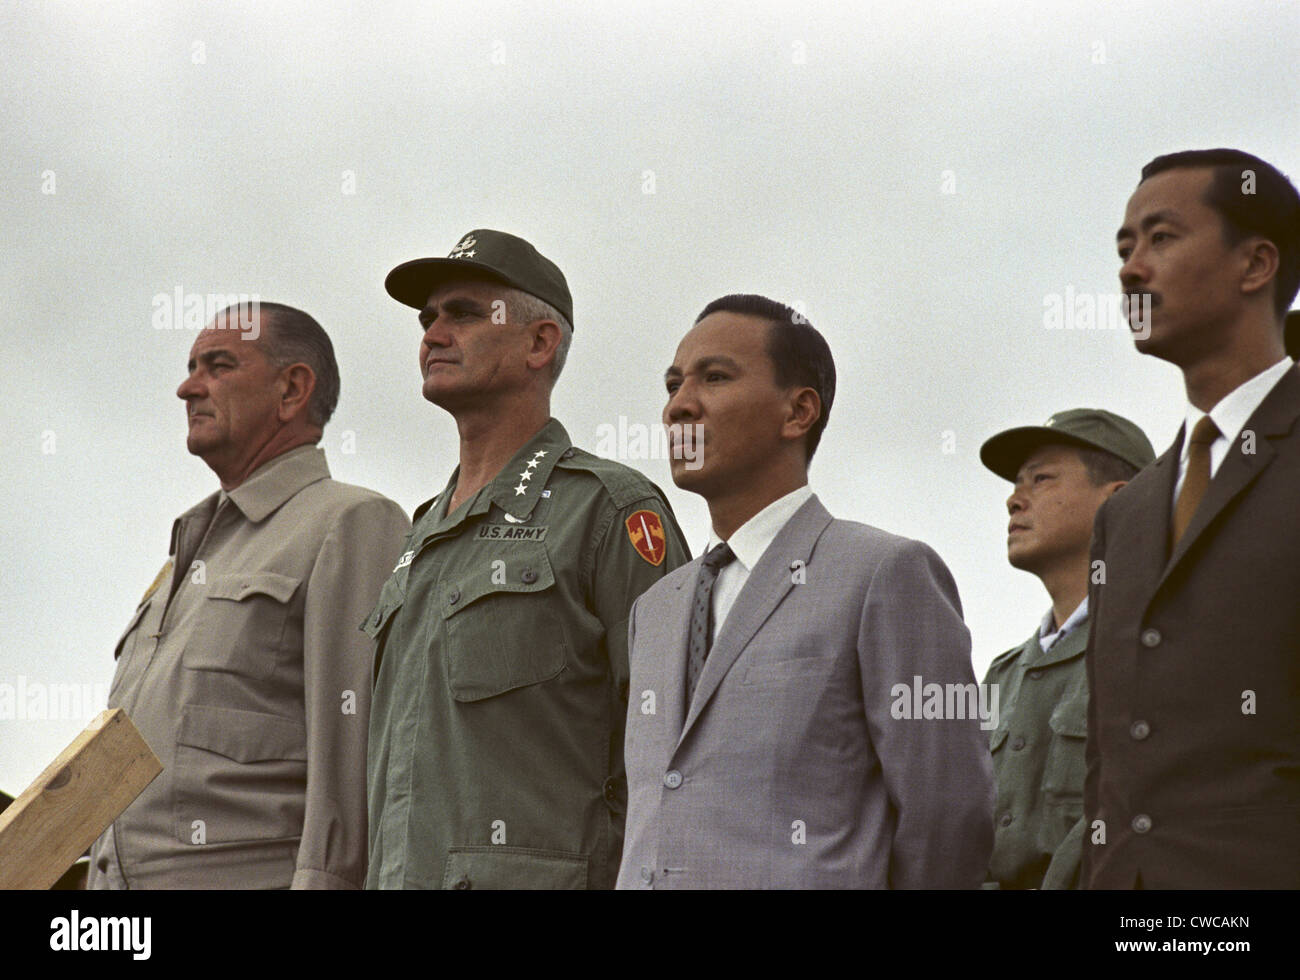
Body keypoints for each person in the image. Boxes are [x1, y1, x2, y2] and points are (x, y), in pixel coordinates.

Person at [616, 293, 993, 889]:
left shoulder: (886, 574)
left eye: (714, 377)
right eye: (671, 385)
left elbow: (949, 812)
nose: (678, 407)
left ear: (798, 412)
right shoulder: (654, 609)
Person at [365, 229, 690, 889]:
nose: (433, 332)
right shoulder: (420, 534)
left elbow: (679, 750)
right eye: (428, 318)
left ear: (540, 342)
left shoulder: (610, 511)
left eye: (464, 313)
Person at [87, 302, 409, 889]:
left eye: (218, 366)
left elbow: (358, 757)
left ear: (292, 389)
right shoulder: (181, 559)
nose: (188, 388)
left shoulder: (351, 522)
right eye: (191, 367)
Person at [1085, 148, 1300, 888]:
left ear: (1256, 264)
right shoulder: (1127, 513)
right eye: (1123, 246)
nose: (1130, 267)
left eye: (1162, 238)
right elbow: (1108, 762)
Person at [978, 409, 1153, 889]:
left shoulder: (1161, 648)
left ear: (1120, 502)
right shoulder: (1002, 675)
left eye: (1042, 479)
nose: (1015, 501)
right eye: (1017, 483)